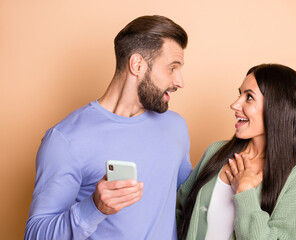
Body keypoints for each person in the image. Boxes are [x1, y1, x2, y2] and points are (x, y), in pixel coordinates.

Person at [25, 15, 192, 240]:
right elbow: (37, 234)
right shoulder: (65, 139)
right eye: (172, 68)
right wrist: (95, 207)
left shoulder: (176, 127)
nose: (180, 81)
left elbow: (191, 199)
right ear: (137, 65)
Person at [177, 64, 296, 240]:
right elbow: (179, 211)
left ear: (277, 107)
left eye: (249, 97)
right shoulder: (215, 152)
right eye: (239, 94)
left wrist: (245, 191)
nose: (234, 104)